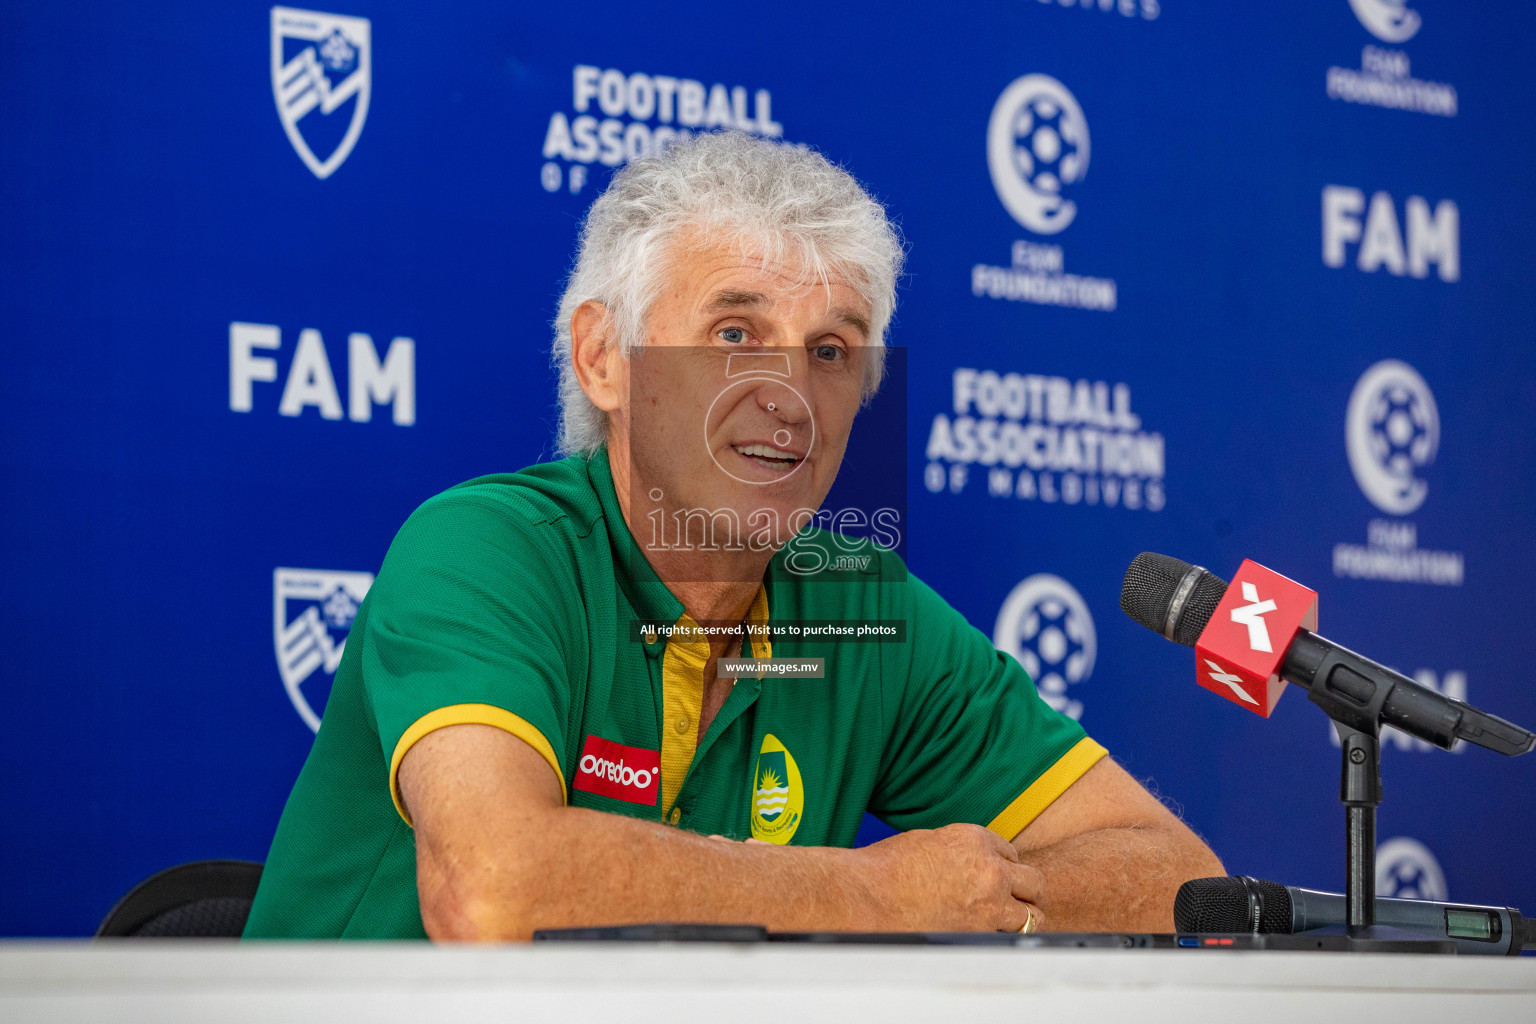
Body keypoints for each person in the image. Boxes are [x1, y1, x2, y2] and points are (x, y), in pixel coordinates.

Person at [244, 131, 1222, 941]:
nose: (789, 395)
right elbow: (494, 889)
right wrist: (876, 896)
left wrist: (982, 898)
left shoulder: (859, 605)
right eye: (733, 335)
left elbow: (1180, 879)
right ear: (603, 359)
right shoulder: (485, 550)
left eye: (831, 351)